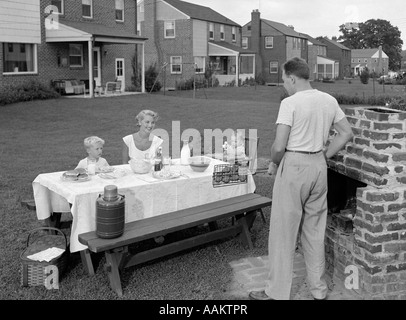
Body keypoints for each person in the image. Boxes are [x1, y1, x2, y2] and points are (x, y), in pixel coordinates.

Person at [249, 57, 353, 300]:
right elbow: (346, 132)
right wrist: (323, 156)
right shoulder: (329, 100)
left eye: (285, 80)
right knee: (315, 231)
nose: (284, 84)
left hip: (294, 166)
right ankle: (318, 290)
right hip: (318, 166)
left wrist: (275, 162)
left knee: (283, 233)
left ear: (293, 78)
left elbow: (278, 146)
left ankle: (277, 293)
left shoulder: (290, 103)